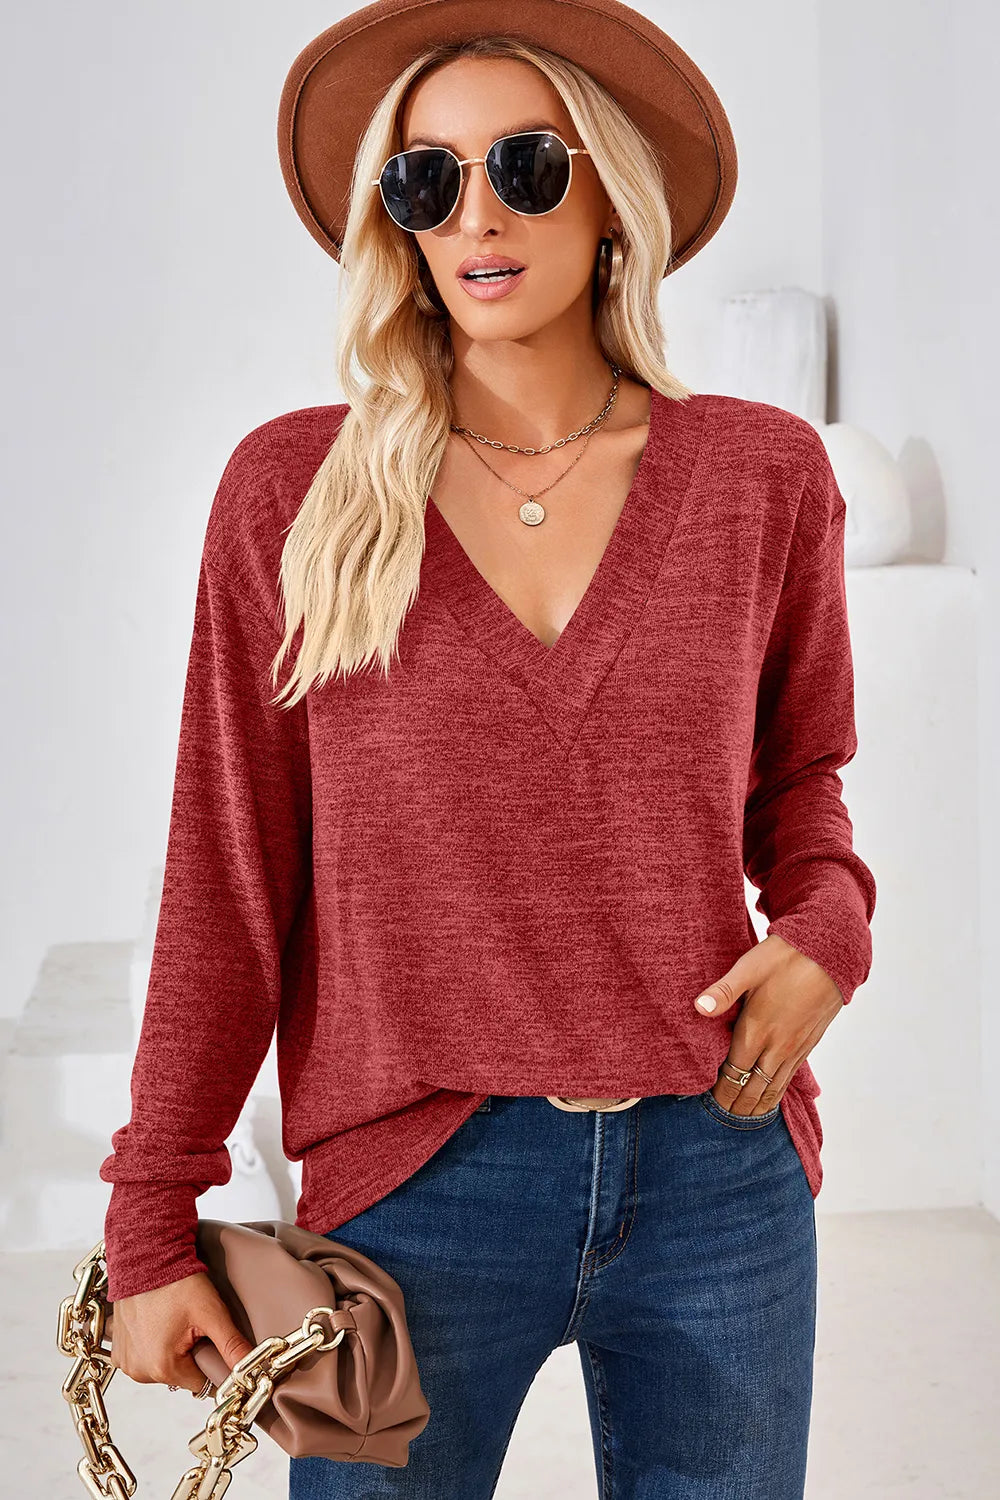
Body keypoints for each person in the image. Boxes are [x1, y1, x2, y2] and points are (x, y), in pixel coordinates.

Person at [99, 4, 877, 1497]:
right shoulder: (297, 492)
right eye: (425, 179)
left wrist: (829, 932)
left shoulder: (762, 476)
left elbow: (801, 785)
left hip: (717, 1164)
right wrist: (152, 1217)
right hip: (412, 1189)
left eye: (525, 165)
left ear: (610, 196)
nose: (475, 215)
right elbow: (228, 878)